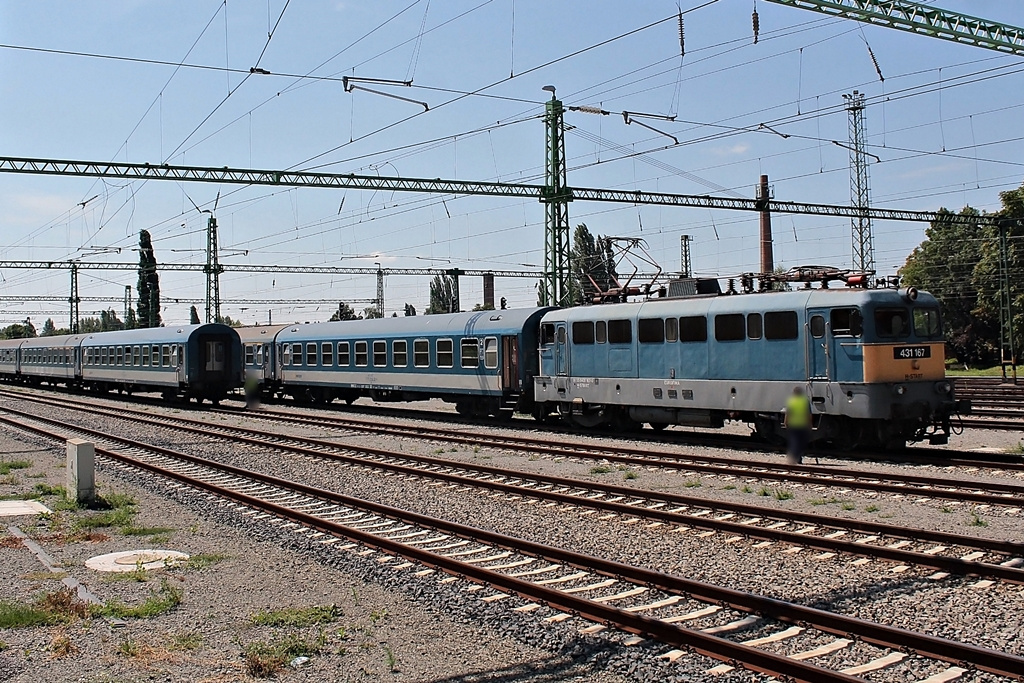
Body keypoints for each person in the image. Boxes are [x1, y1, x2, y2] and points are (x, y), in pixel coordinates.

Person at [783, 385, 812, 465]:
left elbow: (788, 413)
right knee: (801, 442)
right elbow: (809, 414)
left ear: (794, 393)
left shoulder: (791, 401)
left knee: (794, 441)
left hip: (792, 424)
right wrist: (810, 424)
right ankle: (796, 457)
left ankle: (795, 457)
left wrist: (785, 422)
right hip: (803, 424)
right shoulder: (805, 401)